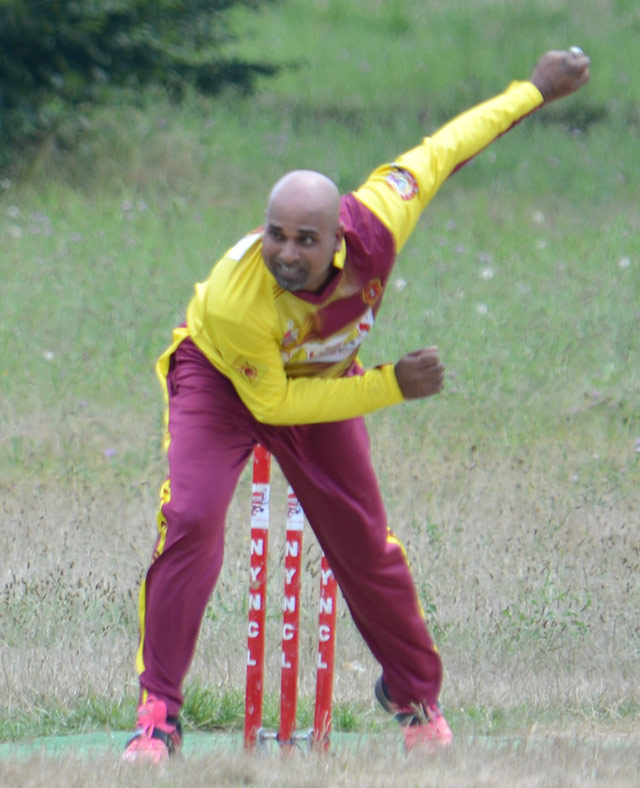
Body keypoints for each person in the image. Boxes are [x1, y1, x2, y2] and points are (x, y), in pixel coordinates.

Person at [123, 48, 591, 762]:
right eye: (276, 234)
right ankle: (158, 712)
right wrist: (392, 386)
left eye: (305, 240)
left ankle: (412, 696)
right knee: (189, 518)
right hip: (224, 382)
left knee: (364, 545)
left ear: (338, 237)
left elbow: (449, 147)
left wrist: (536, 90)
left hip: (323, 381)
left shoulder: (381, 215)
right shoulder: (238, 294)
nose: (285, 252)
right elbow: (275, 404)